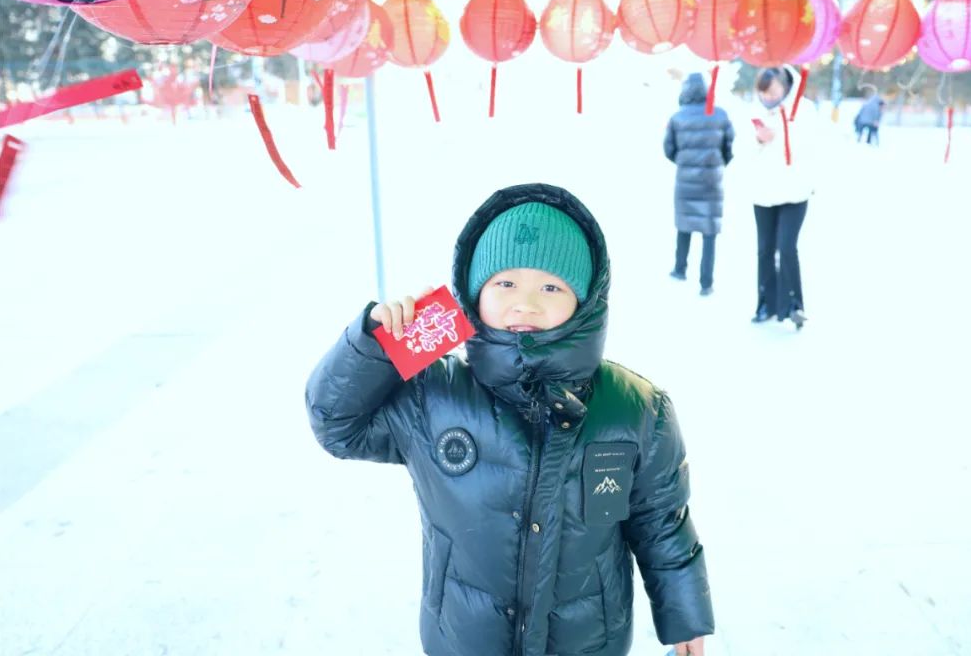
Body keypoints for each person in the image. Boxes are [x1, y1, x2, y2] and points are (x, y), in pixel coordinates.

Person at [305, 184, 713, 656]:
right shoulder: (432, 396)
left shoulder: (637, 410)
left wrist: (685, 617)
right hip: (462, 640)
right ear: (474, 292)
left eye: (551, 287)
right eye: (505, 284)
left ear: (585, 300)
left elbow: (662, 523)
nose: (526, 303)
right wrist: (375, 348)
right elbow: (337, 425)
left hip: (588, 644)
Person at [748, 66, 817, 329]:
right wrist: (758, 140)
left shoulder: (804, 110)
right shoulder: (753, 111)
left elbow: (813, 147)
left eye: (773, 92)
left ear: (786, 87)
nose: (768, 98)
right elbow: (739, 152)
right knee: (765, 249)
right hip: (763, 192)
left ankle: (794, 305)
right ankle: (766, 303)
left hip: (795, 191)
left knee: (787, 247)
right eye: (764, 93)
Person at [664, 72, 735, 296]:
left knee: (684, 225)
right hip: (712, 182)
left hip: (685, 181)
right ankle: (706, 283)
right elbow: (729, 147)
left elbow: (668, 149)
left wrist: (684, 162)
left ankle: (680, 269)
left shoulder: (678, 117)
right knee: (709, 231)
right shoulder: (720, 114)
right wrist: (718, 163)